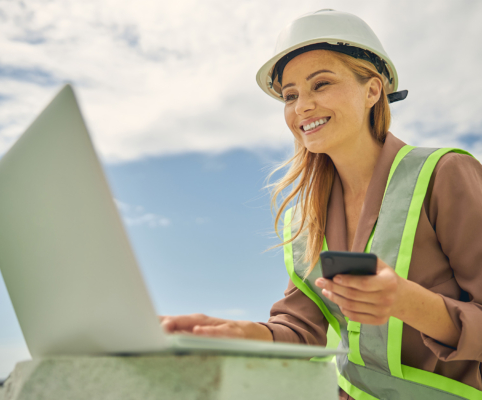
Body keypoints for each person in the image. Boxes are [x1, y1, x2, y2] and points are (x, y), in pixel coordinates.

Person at [161, 10, 482, 399]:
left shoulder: (444, 174)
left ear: (372, 91)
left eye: (321, 84)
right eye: (290, 95)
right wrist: (241, 334)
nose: (302, 108)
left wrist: (409, 303)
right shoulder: (306, 216)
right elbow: (302, 329)